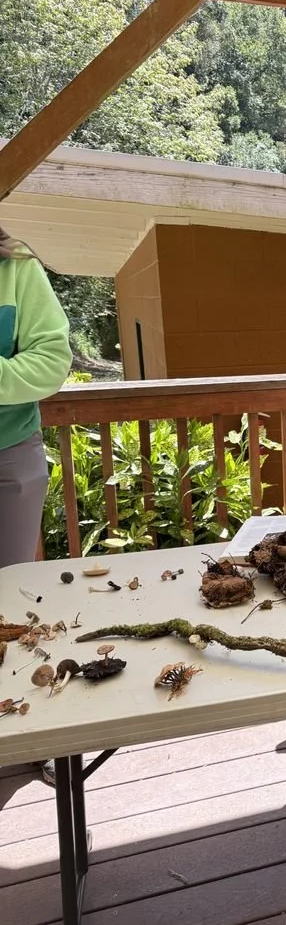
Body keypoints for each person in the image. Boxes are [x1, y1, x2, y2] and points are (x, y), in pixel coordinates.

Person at [0, 227, 72, 785]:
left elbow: (51, 361)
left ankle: (33, 731)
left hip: (11, 457)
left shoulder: (16, 267)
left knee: (13, 595)